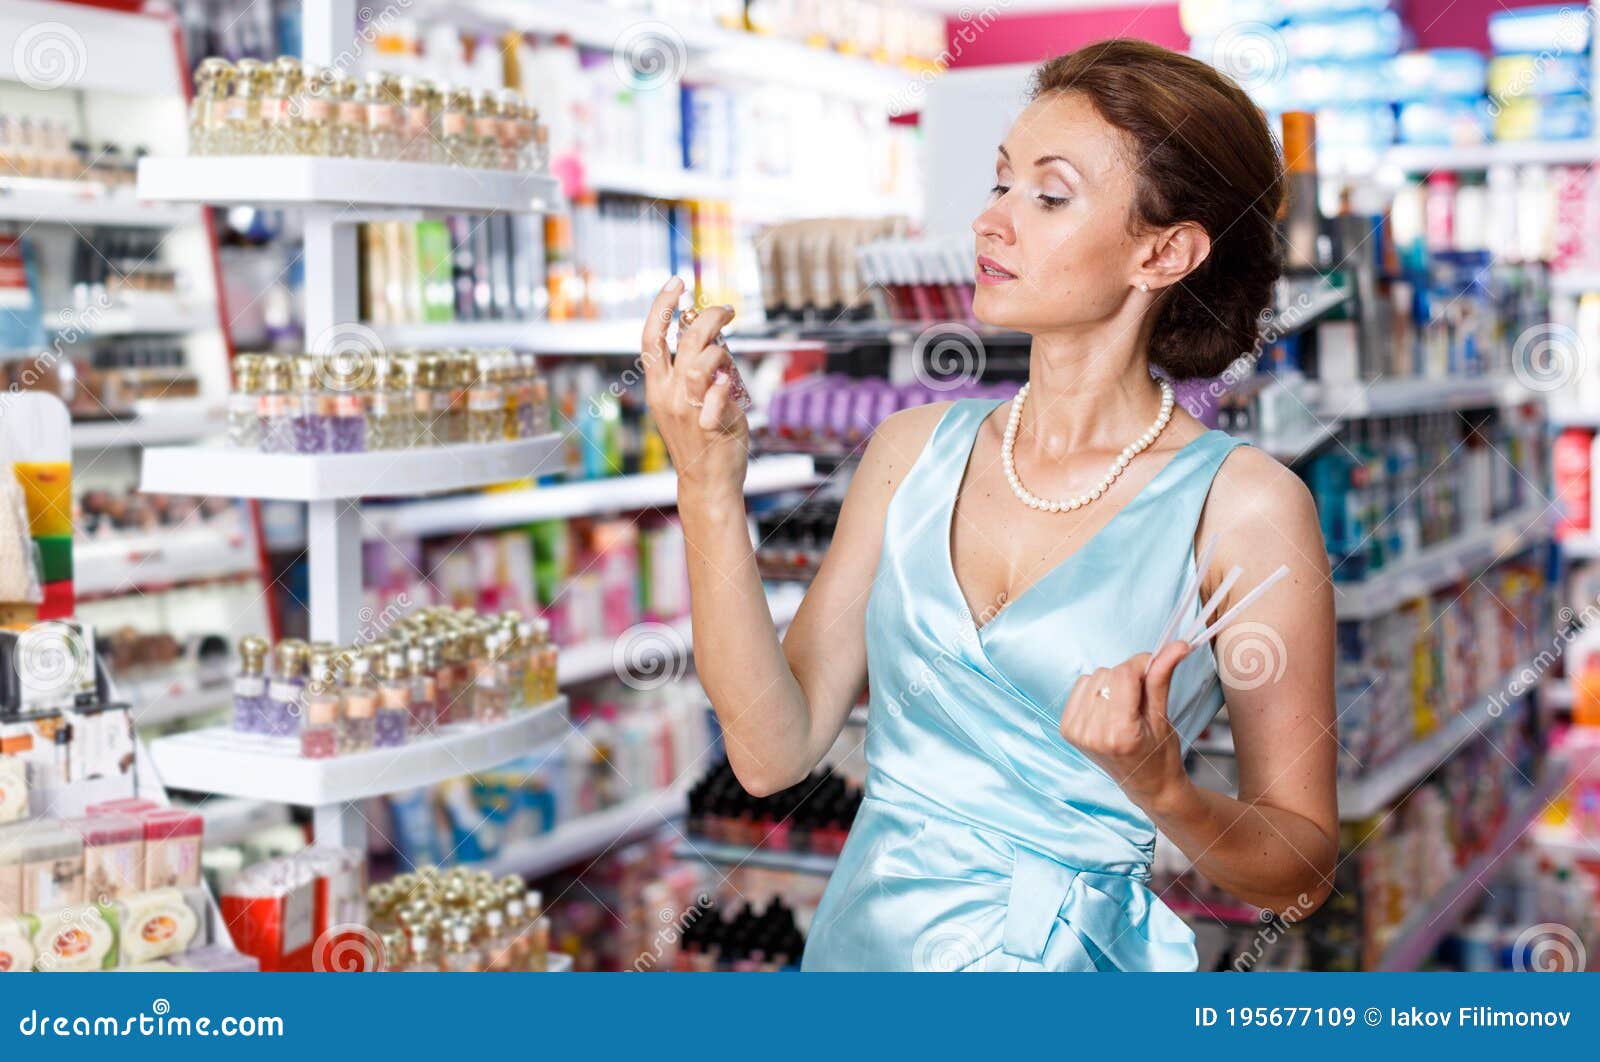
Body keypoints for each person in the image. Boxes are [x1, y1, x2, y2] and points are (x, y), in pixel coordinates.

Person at [639, 38, 1337, 972]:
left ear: (1164, 251)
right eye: (1000, 184)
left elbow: (1300, 872)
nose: (990, 221)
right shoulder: (911, 452)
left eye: (1047, 196)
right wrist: (706, 483)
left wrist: (1163, 788)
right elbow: (774, 753)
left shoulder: (1243, 505)